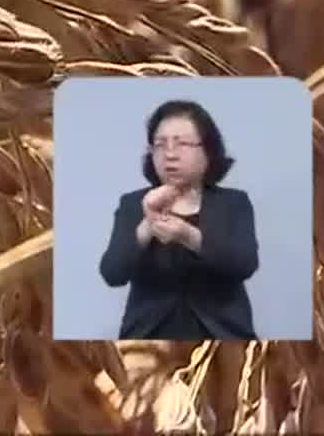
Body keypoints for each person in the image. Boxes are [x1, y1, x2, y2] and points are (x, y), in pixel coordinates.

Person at [97, 99, 260, 340]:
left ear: (208, 151)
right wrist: (146, 227)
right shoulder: (133, 204)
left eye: (181, 144)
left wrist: (188, 235)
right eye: (160, 145)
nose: (170, 155)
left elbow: (244, 264)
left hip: (223, 336)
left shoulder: (233, 203)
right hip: (149, 337)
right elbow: (112, 273)